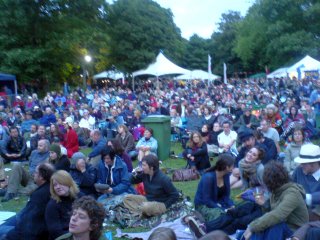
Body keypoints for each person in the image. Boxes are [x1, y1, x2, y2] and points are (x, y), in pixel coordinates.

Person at [242, 161, 308, 240]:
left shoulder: (292, 193)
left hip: (296, 231)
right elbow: (270, 213)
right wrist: (264, 204)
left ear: (271, 182)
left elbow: (277, 215)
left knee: (273, 224)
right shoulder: (276, 191)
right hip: (283, 227)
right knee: (261, 225)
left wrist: (252, 227)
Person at [0, 163, 55, 239]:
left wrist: (9, 236)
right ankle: (9, 192)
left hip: (26, 227)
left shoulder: (39, 196)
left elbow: (28, 227)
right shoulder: (47, 188)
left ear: (41, 177)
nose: (33, 174)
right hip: (24, 215)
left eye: (35, 172)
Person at [194, 154, 234, 221]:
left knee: (235, 211)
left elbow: (226, 195)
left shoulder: (226, 175)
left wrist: (231, 205)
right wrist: (223, 209)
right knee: (221, 216)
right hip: (203, 205)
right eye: (232, 165)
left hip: (218, 202)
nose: (234, 167)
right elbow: (207, 200)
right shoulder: (208, 177)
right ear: (227, 167)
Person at [45, 170, 80, 240]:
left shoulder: (79, 197)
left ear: (68, 183)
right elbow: (55, 232)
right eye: (55, 185)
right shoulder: (52, 205)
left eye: (60, 183)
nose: (57, 187)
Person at [292, 144, 320, 221]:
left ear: (313, 164)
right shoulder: (299, 171)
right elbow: (289, 185)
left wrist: (307, 198)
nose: (301, 165)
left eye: (303, 163)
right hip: (296, 212)